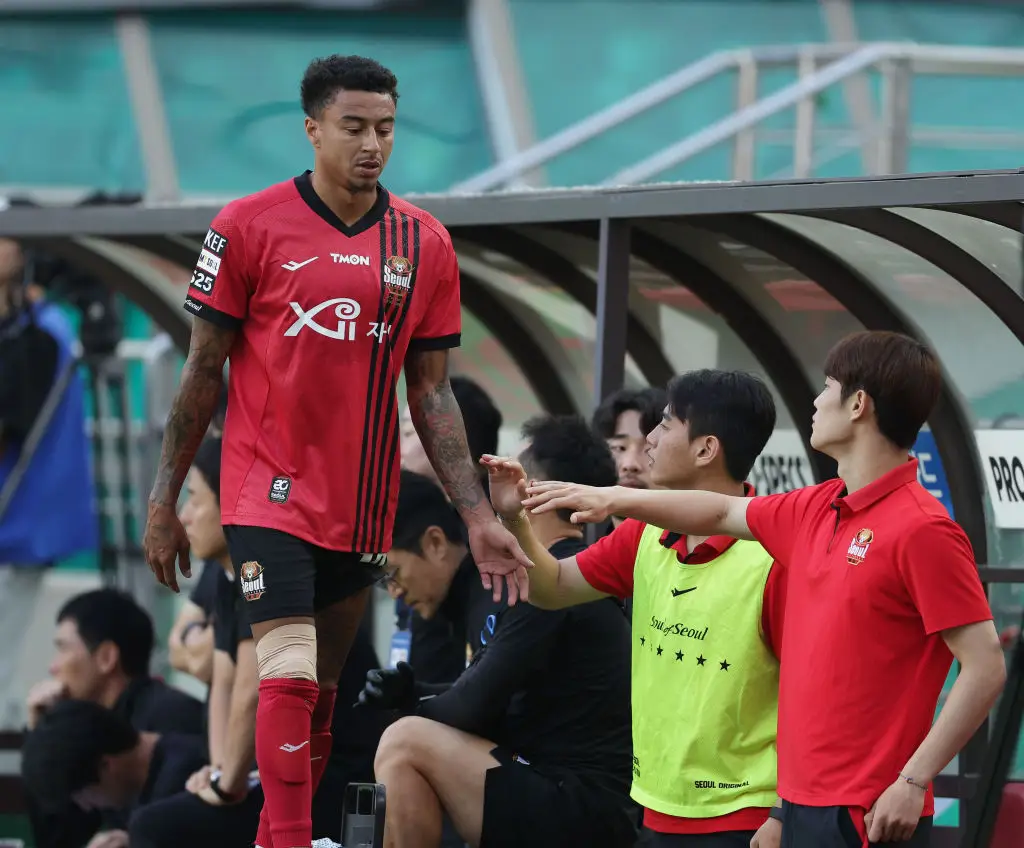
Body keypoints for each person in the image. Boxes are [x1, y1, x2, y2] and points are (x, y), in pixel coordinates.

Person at [142, 54, 530, 848]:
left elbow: (431, 392)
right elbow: (202, 371)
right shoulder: (245, 226)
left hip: (360, 502)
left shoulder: (422, 242)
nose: (372, 145)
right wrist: (163, 499)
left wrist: (477, 514)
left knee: (318, 691)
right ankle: (287, 842)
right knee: (282, 674)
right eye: (353, 127)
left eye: (385, 128)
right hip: (264, 492)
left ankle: (274, 836)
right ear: (312, 128)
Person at [522, 332, 1007, 848]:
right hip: (800, 806)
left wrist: (913, 781)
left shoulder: (923, 528)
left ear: (859, 404)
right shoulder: (815, 506)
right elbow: (719, 510)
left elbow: (985, 666)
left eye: (827, 387)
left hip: (867, 811)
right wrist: (611, 498)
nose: (816, 401)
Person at [484, 371, 786, 848]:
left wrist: (783, 813)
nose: (648, 440)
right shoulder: (644, 533)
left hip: (744, 818)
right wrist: (514, 516)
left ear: (706, 449)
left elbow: (808, 694)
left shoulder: (773, 554)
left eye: (665, 425)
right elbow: (553, 588)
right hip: (655, 807)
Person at [368, 415, 637, 848]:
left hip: (583, 809)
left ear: (532, 493)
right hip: (563, 790)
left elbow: (474, 705)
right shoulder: (554, 573)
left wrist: (414, 700)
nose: (496, 500)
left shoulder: (556, 580)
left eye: (511, 482)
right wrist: (416, 692)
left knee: (405, 741)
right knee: (409, 735)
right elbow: (491, 694)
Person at [131, 437, 264, 848]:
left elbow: (250, 692)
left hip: (319, 776)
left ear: (232, 505)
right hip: (254, 772)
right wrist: (219, 768)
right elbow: (222, 683)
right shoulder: (228, 581)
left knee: (151, 827)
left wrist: (228, 785)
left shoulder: (261, 573)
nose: (183, 517)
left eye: (195, 500)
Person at [21, 699, 207, 848]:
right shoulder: (141, 784)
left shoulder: (183, 782)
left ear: (105, 765)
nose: (87, 807)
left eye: (81, 795)